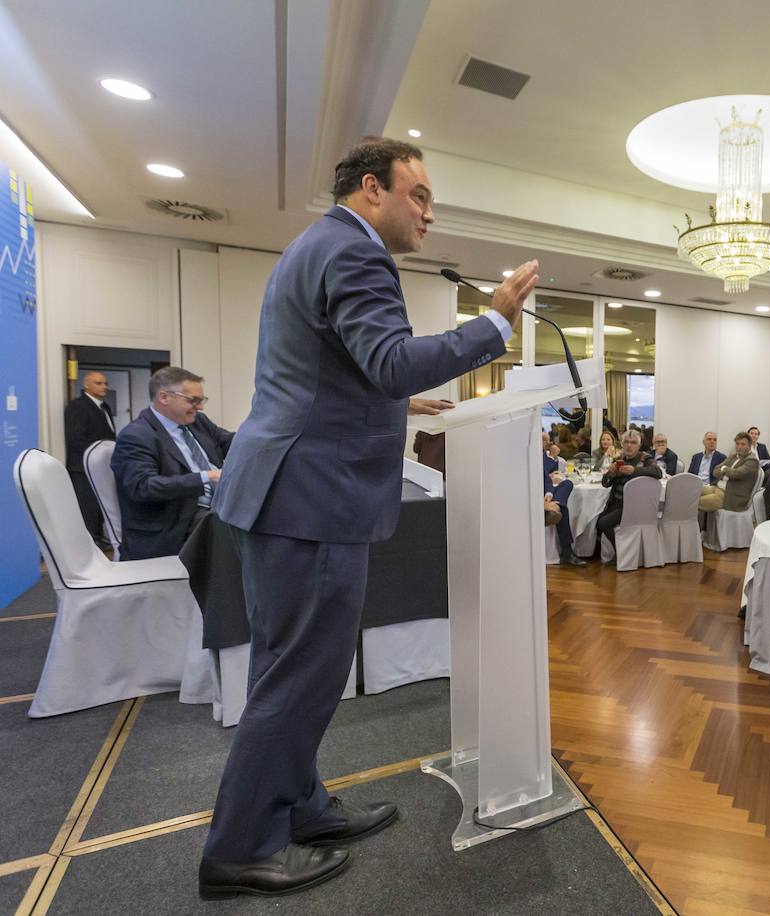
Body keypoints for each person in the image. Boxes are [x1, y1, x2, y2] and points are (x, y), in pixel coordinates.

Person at [201, 137, 537, 899]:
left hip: (291, 490)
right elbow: (386, 359)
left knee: (298, 672)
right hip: (309, 498)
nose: (427, 212)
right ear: (369, 189)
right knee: (297, 677)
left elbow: (339, 371)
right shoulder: (356, 255)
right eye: (417, 194)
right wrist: (493, 326)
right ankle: (240, 848)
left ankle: (297, 804)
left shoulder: (319, 246)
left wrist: (398, 401)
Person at [111, 367, 235, 561]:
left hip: (213, 508)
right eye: (193, 400)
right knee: (238, 529)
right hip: (174, 524)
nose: (200, 407)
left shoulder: (197, 422)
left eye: (201, 400)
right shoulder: (136, 435)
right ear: (164, 397)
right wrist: (206, 477)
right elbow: (143, 487)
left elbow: (232, 443)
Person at [63, 370, 118, 545]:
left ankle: (99, 538)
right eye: (98, 383)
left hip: (103, 466)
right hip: (83, 466)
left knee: (102, 503)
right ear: (86, 385)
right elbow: (76, 438)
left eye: (105, 383)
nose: (104, 387)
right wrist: (98, 453)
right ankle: (90, 542)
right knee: (88, 505)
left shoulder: (105, 407)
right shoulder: (77, 406)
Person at [594, 430, 663, 558]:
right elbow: (605, 483)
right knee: (596, 522)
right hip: (616, 504)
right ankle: (614, 553)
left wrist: (635, 470)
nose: (629, 445)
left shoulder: (645, 458)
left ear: (639, 445)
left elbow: (657, 472)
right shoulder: (620, 459)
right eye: (626, 442)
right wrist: (611, 473)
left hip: (634, 506)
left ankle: (622, 554)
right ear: (622, 444)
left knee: (604, 523)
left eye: (633, 443)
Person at [543, 443, 584, 567]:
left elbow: (545, 476)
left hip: (546, 492)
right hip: (534, 492)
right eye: (543, 440)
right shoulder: (530, 452)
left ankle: (555, 507)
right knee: (563, 511)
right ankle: (567, 551)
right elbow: (545, 469)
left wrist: (549, 493)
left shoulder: (541, 452)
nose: (545, 442)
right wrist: (553, 456)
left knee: (567, 484)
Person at [699, 432, 760, 514]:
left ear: (749, 445)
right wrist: (727, 471)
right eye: (737, 444)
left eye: (743, 444)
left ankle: (688, 525)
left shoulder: (752, 461)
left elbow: (736, 474)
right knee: (693, 490)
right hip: (717, 488)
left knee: (695, 502)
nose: (739, 447)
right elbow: (715, 471)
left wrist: (724, 469)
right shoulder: (733, 456)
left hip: (731, 496)